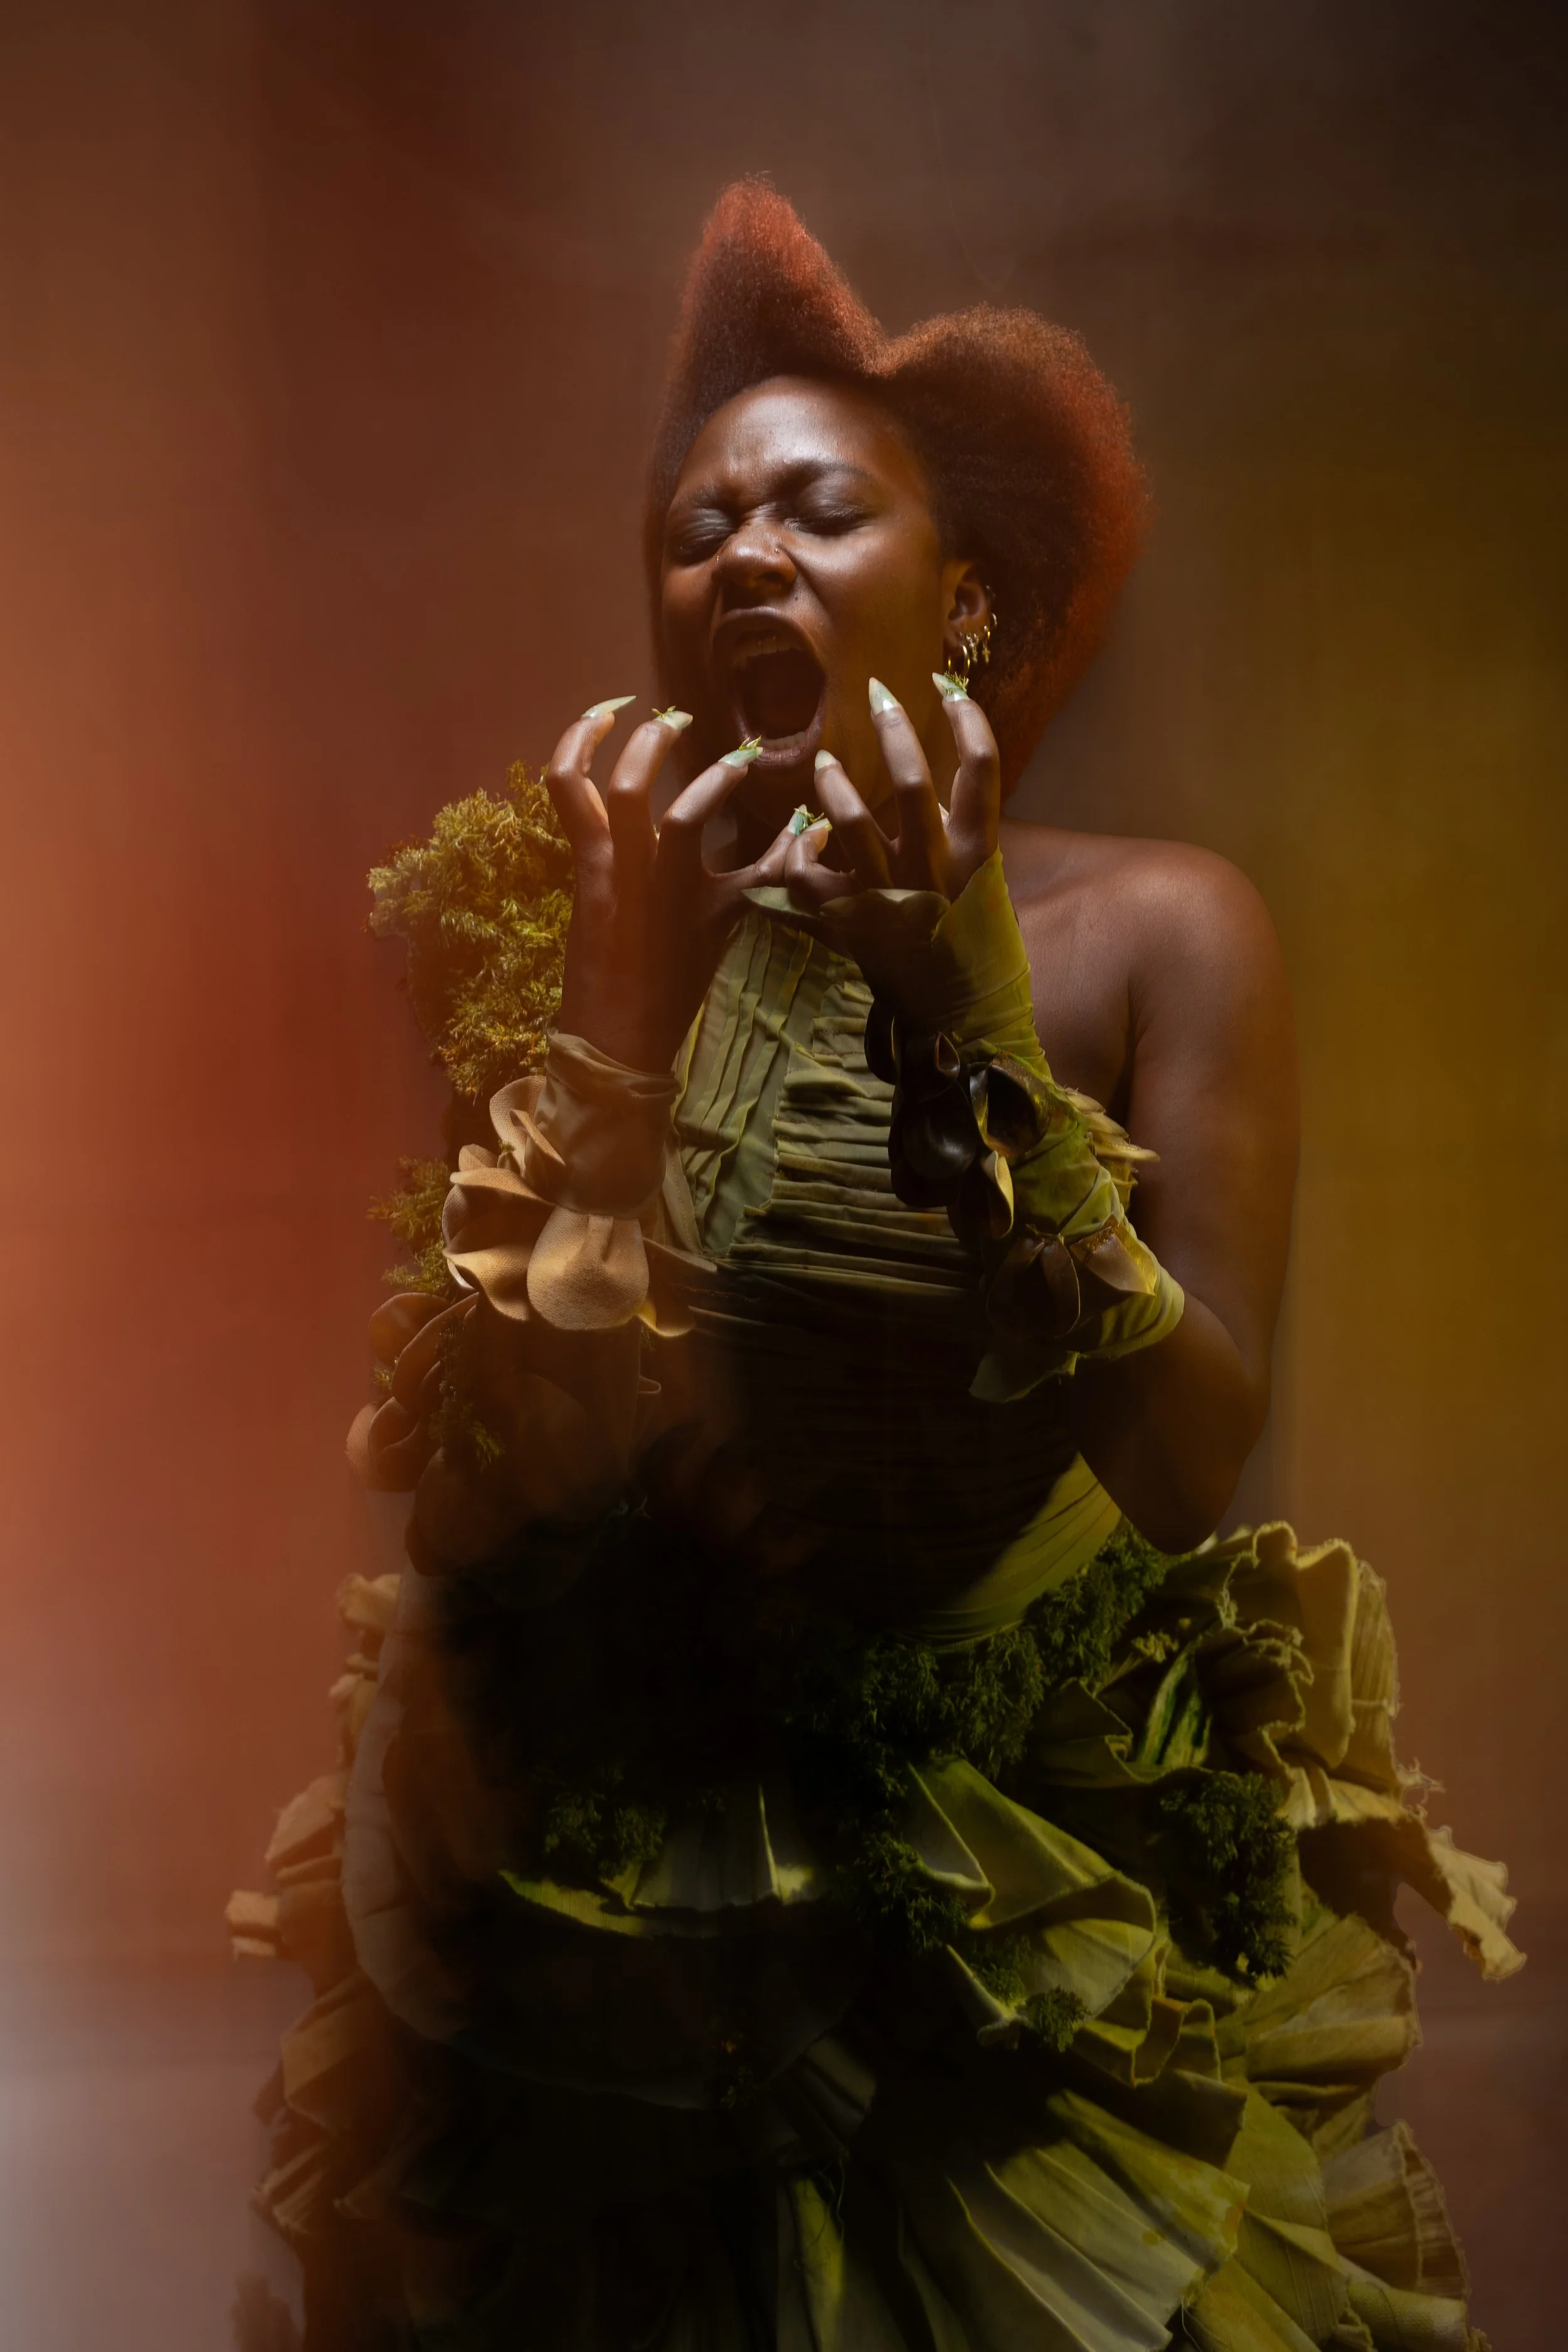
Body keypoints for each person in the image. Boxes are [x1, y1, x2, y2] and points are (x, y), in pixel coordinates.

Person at [234, 182, 1518, 2352]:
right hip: (624, 1881)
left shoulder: (1159, 929)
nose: (741, 549)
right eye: (699, 520)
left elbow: (1192, 1454)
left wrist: (976, 1024)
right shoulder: (560, 924)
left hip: (1018, 1880)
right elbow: (470, 1489)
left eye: (815, 510)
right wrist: (612, 1038)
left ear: (967, 601)